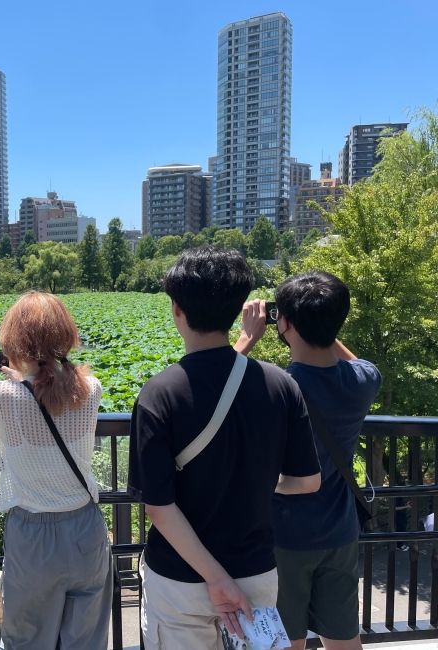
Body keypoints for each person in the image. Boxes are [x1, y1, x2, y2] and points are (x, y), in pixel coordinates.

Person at [128, 247, 322, 649]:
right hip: (255, 573)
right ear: (237, 309)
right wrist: (262, 481)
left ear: (177, 310)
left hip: (180, 578)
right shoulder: (281, 385)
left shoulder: (159, 393)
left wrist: (215, 580)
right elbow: (306, 482)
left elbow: (159, 508)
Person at [234, 271, 381, 650]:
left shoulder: (274, 386)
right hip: (341, 531)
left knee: (285, 642)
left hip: (285, 537)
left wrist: (247, 339)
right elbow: (357, 361)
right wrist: (325, 325)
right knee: (344, 639)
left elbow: (208, 390)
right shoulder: (363, 382)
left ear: (283, 323)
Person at [0, 291, 112, 649]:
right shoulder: (92, 389)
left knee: (27, 641)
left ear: (15, 340)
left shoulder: (3, 395)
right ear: (65, 335)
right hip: (86, 528)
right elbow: (50, 387)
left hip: (34, 535)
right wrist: (21, 378)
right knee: (86, 641)